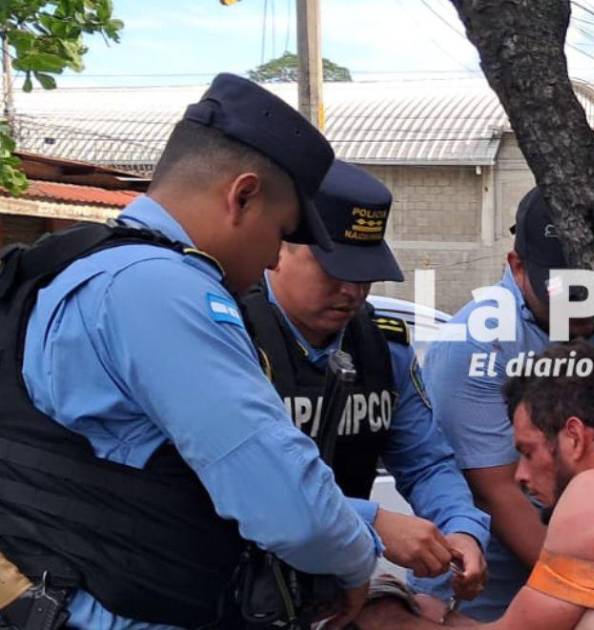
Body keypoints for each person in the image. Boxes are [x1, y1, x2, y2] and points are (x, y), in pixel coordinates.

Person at [0, 73, 379, 628]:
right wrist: (355, 561)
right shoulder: (164, 288)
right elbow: (290, 508)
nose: (274, 259)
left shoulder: (73, 263)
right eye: (281, 232)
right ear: (242, 196)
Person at [238, 159, 490, 602]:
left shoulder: (382, 347)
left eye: (365, 273)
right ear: (280, 250)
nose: (353, 291)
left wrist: (461, 528)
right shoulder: (230, 339)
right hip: (231, 587)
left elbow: (425, 462)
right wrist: (370, 521)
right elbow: (235, 484)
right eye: (334, 270)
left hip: (332, 588)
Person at [357, 342, 594, 630]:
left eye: (528, 452)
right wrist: (443, 616)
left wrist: (390, 615)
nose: (521, 475)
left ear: (573, 437)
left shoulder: (593, 490)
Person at [413, 188, 594, 620]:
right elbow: (500, 491)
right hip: (484, 597)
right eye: (562, 292)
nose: (582, 307)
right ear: (517, 266)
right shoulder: (478, 343)